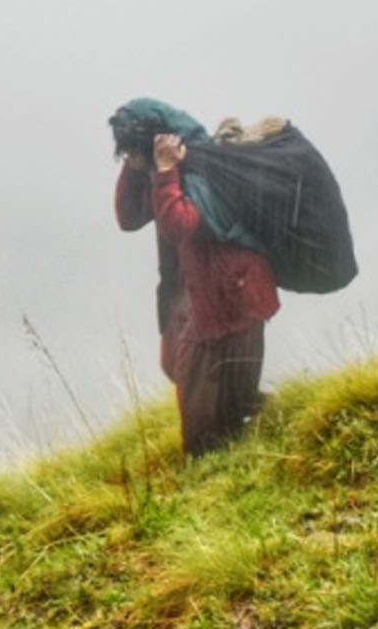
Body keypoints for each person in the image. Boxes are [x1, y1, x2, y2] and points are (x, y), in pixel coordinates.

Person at [116, 132, 280, 457]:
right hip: (200, 293)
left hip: (229, 294)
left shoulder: (205, 176)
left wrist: (165, 171)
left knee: (209, 402)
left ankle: (216, 464)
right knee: (184, 372)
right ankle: (241, 440)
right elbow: (130, 217)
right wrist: (134, 168)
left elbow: (180, 223)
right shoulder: (177, 174)